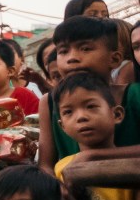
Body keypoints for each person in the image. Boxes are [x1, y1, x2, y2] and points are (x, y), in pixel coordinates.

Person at [39, 15, 140, 173]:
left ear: (114, 59)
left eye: (85, 48)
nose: (72, 58)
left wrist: (94, 155)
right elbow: (45, 165)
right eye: (63, 51)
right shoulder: (49, 102)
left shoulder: (135, 94)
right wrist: (58, 190)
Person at [53, 71, 140, 200]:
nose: (81, 117)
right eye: (68, 112)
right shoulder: (61, 167)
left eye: (91, 106)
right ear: (62, 126)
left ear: (117, 114)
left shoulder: (131, 170)